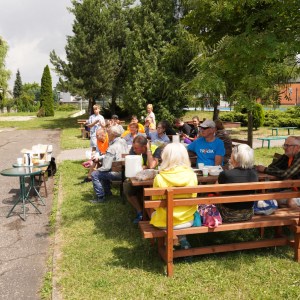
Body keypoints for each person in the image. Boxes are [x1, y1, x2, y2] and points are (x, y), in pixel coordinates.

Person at [150, 143, 198, 251]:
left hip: (164, 222)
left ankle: (168, 245)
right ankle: (183, 240)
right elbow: (194, 199)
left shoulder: (159, 178)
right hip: (187, 221)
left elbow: (156, 204)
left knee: (154, 212)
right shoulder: (192, 175)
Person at [216, 144, 258, 222]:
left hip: (227, 215)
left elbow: (216, 190)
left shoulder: (226, 174)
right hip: (248, 214)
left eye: (232, 153)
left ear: (235, 158)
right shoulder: (254, 173)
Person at [124, 135, 161, 223]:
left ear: (144, 147)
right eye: (134, 147)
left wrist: (148, 150)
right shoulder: (133, 150)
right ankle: (140, 211)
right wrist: (146, 167)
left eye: (136, 148)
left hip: (154, 180)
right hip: (137, 179)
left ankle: (154, 211)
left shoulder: (155, 148)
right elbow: (132, 167)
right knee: (127, 189)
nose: (134, 150)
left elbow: (152, 166)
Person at [256, 136, 300, 208]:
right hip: (294, 188)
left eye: (287, 145)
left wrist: (265, 170)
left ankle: (295, 217)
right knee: (275, 199)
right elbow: (272, 166)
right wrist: (284, 174)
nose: (284, 148)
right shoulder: (287, 156)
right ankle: (288, 217)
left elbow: (286, 174)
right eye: (284, 145)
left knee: (290, 202)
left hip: (296, 188)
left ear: (297, 147)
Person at [90, 126, 129, 203]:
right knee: (103, 172)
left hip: (118, 174)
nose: (107, 135)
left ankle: (100, 197)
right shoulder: (124, 142)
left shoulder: (112, 147)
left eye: (108, 133)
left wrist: (98, 169)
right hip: (126, 172)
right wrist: (101, 158)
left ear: (112, 134)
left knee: (95, 174)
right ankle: (107, 192)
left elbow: (106, 167)